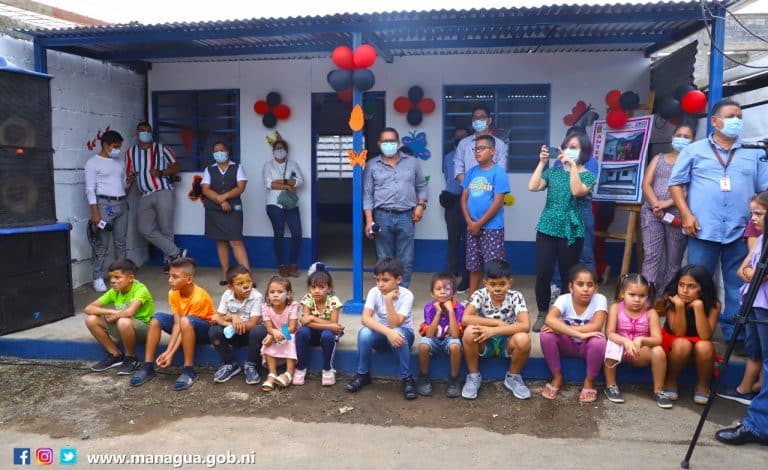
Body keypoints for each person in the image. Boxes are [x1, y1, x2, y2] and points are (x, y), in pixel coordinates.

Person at [669, 99, 768, 349]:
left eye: (739, 117)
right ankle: (692, 334)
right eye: (731, 116)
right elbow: (676, 185)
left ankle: (737, 339)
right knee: (697, 284)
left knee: (738, 286)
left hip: (742, 231)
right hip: (702, 229)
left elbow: (764, 191)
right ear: (715, 121)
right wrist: (686, 214)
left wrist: (758, 226)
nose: (737, 121)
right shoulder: (694, 150)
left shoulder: (754, 152)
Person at [528, 131, 597, 332]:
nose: (568, 150)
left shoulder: (588, 175)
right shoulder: (554, 172)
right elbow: (533, 186)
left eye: (573, 147)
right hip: (547, 226)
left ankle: (564, 314)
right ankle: (543, 313)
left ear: (584, 151)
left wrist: (573, 167)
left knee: (569, 274)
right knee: (543, 273)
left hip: (571, 230)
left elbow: (577, 191)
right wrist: (542, 163)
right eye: (566, 146)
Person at [716, 206, 768, 445]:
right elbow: (744, 271)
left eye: (759, 213)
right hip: (754, 302)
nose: (753, 218)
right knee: (757, 353)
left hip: (764, 305)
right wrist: (751, 272)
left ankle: (758, 425)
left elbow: (758, 274)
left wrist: (752, 272)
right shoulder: (761, 239)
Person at [129, 257, 215, 391]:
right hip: (184, 326)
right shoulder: (173, 293)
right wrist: (168, 351)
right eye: (169, 276)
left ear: (189, 279)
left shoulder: (199, 297)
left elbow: (184, 326)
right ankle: (148, 367)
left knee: (186, 321)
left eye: (175, 277)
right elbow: (177, 324)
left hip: (204, 332)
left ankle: (188, 370)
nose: (170, 280)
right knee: (156, 318)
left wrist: (170, 354)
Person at [363, 128, 428, 287]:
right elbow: (367, 194)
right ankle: (387, 291)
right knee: (384, 259)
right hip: (382, 216)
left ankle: (402, 292)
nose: (389, 144)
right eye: (385, 141)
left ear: (398, 143)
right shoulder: (371, 165)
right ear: (379, 144)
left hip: (407, 216)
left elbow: (421, 186)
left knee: (406, 259)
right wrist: (369, 221)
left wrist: (420, 205)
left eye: (392, 141)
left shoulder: (412, 162)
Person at [346, 257, 417, 399]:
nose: (380, 284)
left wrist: (388, 300)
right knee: (364, 333)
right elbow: (365, 319)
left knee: (397, 331)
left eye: (385, 280)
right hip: (383, 336)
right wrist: (388, 332)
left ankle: (407, 378)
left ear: (398, 279)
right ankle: (363, 374)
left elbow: (395, 324)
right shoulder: (374, 292)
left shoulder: (407, 295)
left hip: (403, 337)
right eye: (377, 280)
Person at [461, 259, 532, 400]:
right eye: (493, 284)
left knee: (524, 339)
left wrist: (494, 331)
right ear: (485, 283)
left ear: (510, 283)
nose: (497, 289)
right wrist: (496, 323)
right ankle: (473, 376)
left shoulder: (516, 296)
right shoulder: (479, 295)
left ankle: (513, 377)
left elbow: (525, 326)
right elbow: (465, 319)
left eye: (502, 284)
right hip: (484, 341)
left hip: (507, 341)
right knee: (469, 332)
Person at [540, 264, 607, 403]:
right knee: (546, 334)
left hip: (587, 347)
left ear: (596, 288)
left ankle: (589, 381)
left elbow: (596, 326)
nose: (585, 289)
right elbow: (549, 319)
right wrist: (580, 334)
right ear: (571, 287)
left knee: (599, 340)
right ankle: (557, 377)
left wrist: (562, 328)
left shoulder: (600, 299)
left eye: (590, 285)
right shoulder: (564, 299)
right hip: (567, 345)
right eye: (580, 284)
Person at [125, 121, 186, 272]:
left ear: (151, 133)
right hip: (144, 194)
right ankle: (176, 253)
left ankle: (169, 262)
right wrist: (129, 181)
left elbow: (176, 166)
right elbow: (129, 173)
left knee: (166, 228)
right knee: (144, 229)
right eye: (142, 131)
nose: (145, 133)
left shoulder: (161, 148)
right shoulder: (131, 152)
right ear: (137, 133)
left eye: (148, 131)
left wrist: (162, 172)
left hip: (162, 191)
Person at [640, 123, 694, 292]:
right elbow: (646, 184)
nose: (682, 139)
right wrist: (656, 204)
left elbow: (688, 189)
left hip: (677, 214)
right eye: (679, 135)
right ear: (672, 137)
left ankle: (666, 296)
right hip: (652, 212)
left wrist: (667, 203)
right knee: (652, 255)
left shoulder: (693, 161)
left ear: (693, 141)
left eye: (687, 137)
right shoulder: (659, 158)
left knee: (674, 260)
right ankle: (646, 295)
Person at [603, 273, 670, 408]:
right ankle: (611, 385)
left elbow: (658, 339)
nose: (637, 299)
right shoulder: (615, 308)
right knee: (611, 345)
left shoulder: (651, 312)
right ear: (623, 293)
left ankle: (658, 391)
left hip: (640, 353)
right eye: (632, 295)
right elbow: (609, 333)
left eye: (642, 296)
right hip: (620, 351)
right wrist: (625, 341)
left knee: (658, 351)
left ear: (647, 296)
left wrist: (641, 340)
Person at [660, 265, 721, 405]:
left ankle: (703, 386)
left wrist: (698, 307)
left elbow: (705, 336)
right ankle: (670, 380)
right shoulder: (671, 300)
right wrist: (680, 306)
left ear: (702, 288)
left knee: (705, 346)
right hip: (675, 340)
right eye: (681, 285)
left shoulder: (714, 304)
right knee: (683, 345)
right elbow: (679, 333)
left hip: (700, 339)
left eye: (691, 286)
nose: (684, 290)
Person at [84, 258, 153, 375]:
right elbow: (88, 308)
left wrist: (115, 316)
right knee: (91, 319)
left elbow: (129, 312)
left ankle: (131, 358)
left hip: (144, 330)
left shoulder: (140, 290)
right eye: (111, 277)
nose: (112, 281)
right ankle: (115, 355)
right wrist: (112, 312)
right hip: (124, 329)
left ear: (130, 278)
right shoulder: (114, 291)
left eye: (117, 277)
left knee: (123, 321)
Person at [461, 135, 510, 296]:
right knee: (474, 266)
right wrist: (470, 222)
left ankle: (495, 300)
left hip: (492, 229)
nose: (477, 152)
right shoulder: (471, 172)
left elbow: (498, 202)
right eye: (476, 149)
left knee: (494, 268)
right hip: (472, 227)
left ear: (493, 151)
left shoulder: (499, 173)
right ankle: (472, 299)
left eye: (482, 148)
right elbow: (464, 197)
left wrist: (479, 224)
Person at [84, 129, 129, 293]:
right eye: (115, 146)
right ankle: (97, 277)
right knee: (102, 244)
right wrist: (95, 212)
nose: (118, 149)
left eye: (119, 146)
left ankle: (122, 276)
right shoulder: (92, 163)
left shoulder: (120, 161)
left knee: (120, 242)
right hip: (105, 205)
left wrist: (129, 182)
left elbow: (122, 183)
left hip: (122, 203)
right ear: (105, 145)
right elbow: (90, 189)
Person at [201, 141, 250, 286]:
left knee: (236, 241)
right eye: (216, 150)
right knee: (221, 240)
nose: (219, 153)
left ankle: (247, 275)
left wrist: (225, 196)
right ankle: (225, 272)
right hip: (215, 209)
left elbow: (241, 187)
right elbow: (205, 189)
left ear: (227, 151)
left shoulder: (237, 167)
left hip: (234, 208)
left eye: (221, 150)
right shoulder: (209, 169)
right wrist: (220, 200)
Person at [209, 265, 267, 385]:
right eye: (240, 284)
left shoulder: (257, 296)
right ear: (230, 287)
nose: (246, 286)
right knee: (214, 330)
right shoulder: (227, 295)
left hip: (250, 337)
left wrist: (225, 322)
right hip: (233, 334)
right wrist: (232, 317)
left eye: (249, 281)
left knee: (259, 330)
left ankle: (251, 365)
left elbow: (252, 324)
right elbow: (216, 318)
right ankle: (230, 364)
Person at [294, 263, 344, 386]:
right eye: (313, 287)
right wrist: (329, 325)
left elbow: (334, 324)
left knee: (327, 335)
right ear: (309, 288)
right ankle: (300, 368)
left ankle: (327, 369)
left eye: (321, 287)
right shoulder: (308, 298)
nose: (316, 290)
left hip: (327, 335)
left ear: (329, 289)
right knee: (302, 332)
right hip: (312, 334)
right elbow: (304, 321)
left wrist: (312, 318)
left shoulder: (333, 301)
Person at [416, 272, 465, 398]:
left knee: (455, 346)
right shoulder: (429, 307)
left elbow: (455, 335)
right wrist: (438, 313)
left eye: (447, 289)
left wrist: (451, 311)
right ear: (432, 293)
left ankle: (454, 379)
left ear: (454, 293)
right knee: (423, 346)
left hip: (450, 339)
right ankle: (423, 377)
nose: (442, 292)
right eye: (438, 289)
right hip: (434, 339)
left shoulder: (459, 308)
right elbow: (429, 334)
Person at [263, 138, 304, 278]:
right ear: (273, 151)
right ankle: (281, 265)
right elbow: (268, 184)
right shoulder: (268, 165)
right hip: (274, 204)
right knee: (279, 233)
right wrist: (287, 185)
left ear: (286, 151)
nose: (279, 151)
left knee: (297, 233)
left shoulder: (293, 164)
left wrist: (281, 181)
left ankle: (293, 264)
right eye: (277, 148)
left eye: (282, 148)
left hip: (291, 204)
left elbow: (300, 181)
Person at [441, 127, 470, 293]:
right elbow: (448, 177)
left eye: (463, 137)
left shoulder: (473, 158)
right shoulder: (448, 157)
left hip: (469, 201)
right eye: (457, 137)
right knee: (453, 238)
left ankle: (467, 277)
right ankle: (451, 273)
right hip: (452, 200)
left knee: (468, 240)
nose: (460, 140)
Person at [260, 276, 300, 392]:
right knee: (268, 341)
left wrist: (280, 334)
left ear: (289, 294)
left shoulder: (292, 306)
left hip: (289, 332)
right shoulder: (266, 307)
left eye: (280, 292)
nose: (275, 295)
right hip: (275, 333)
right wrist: (273, 334)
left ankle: (289, 373)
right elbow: (269, 328)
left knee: (290, 339)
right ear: (268, 295)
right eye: (272, 292)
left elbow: (292, 327)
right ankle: (272, 373)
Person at [453, 106, 508, 185]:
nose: (478, 120)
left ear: (489, 120)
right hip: (469, 189)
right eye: (475, 118)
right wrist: (469, 187)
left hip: (491, 188)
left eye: (482, 117)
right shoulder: (464, 143)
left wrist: (486, 187)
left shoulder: (499, 144)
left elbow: (501, 170)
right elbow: (458, 169)